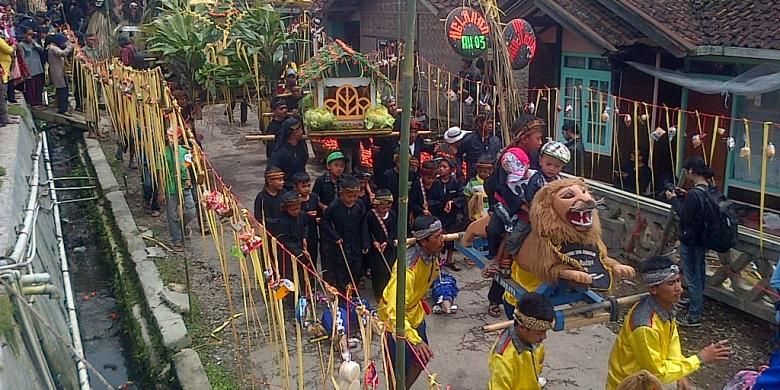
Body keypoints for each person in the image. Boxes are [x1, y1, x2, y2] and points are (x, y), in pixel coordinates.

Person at [606, 255, 730, 389]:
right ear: (653, 289)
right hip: (628, 385)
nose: (679, 288)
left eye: (678, 281)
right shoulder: (645, 326)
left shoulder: (666, 308)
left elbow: (672, 344)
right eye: (671, 283)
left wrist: (681, 375)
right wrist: (700, 358)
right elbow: (657, 371)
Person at [485, 115, 544, 318]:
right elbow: (502, 186)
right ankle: (495, 281)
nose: (540, 142)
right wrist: (522, 207)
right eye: (537, 138)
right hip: (509, 205)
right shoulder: (509, 157)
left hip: (535, 208)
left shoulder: (539, 157)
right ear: (524, 138)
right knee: (498, 234)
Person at [379, 215, 444, 390]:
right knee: (397, 370)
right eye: (437, 237)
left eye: (442, 234)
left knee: (421, 359)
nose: (442, 240)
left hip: (415, 313)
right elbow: (394, 311)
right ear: (423, 242)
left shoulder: (431, 255)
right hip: (395, 321)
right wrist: (415, 340)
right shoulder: (407, 270)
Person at [665, 156, 715, 327]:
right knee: (699, 273)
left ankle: (694, 315)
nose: (686, 174)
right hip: (704, 238)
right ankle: (696, 303)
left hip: (692, 239)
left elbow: (685, 215)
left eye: (686, 171)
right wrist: (684, 195)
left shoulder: (695, 193)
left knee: (692, 277)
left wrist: (673, 199)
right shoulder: (709, 189)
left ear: (691, 171)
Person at [487, 293, 554, 390]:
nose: (544, 337)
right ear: (522, 327)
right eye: (539, 333)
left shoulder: (534, 340)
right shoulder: (503, 360)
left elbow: (539, 362)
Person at [320, 175, 367, 294]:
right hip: (340, 245)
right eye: (349, 196)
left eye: (355, 196)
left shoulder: (360, 205)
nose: (352, 199)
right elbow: (324, 222)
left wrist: (365, 242)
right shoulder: (334, 206)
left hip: (356, 244)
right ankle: (342, 295)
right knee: (341, 272)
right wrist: (335, 236)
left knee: (356, 270)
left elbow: (364, 224)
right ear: (342, 193)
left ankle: (354, 293)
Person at [159, 138, 196, 252]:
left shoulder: (184, 151)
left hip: (185, 185)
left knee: (191, 211)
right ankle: (177, 240)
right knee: (172, 215)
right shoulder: (163, 153)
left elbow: (188, 167)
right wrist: (161, 192)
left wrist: (189, 179)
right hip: (170, 187)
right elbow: (160, 173)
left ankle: (182, 226)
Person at [362, 189, 397, 299]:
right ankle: (378, 293)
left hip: (389, 247)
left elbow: (394, 230)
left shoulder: (392, 214)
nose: (386, 209)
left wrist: (388, 241)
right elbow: (366, 231)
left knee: (389, 269)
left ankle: (389, 291)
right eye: (383, 207)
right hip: (375, 249)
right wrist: (373, 242)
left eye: (388, 207)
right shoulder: (370, 216)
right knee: (378, 272)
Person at [271, 191, 309, 280]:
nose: (296, 211)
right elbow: (285, 240)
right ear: (286, 209)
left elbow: (306, 226)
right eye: (293, 210)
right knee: (290, 274)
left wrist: (304, 237)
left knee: (302, 272)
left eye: (298, 208)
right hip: (288, 252)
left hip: (301, 246)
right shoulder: (282, 221)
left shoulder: (302, 215)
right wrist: (299, 253)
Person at [438, 158, 465, 271]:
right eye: (440, 166)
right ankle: (438, 260)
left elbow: (461, 197)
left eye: (445, 167)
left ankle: (449, 259)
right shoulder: (435, 182)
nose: (441, 169)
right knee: (438, 237)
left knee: (451, 237)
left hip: (451, 214)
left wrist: (452, 202)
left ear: (451, 170)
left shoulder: (455, 182)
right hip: (438, 213)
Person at [460, 114, 502, 180]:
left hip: (491, 179)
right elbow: (458, 155)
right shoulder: (469, 139)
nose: (490, 126)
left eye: (491, 123)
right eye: (487, 123)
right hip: (473, 178)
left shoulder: (496, 141)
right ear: (480, 123)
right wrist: (460, 173)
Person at [292, 172, 320, 269]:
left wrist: (318, 217)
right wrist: (305, 215)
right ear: (296, 187)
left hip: (313, 234)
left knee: (313, 260)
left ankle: (312, 282)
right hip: (300, 234)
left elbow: (319, 211)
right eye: (303, 186)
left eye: (308, 186)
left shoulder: (314, 197)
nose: (307, 189)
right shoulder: (294, 201)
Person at [270, 117, 308, 186]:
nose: (302, 132)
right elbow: (273, 173)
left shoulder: (301, 147)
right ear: (295, 132)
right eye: (300, 129)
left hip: (300, 185)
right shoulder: (280, 152)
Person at [47, 33, 72, 115]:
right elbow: (63, 53)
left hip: (58, 72)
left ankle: (59, 106)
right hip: (58, 73)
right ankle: (63, 109)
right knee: (63, 91)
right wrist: (69, 46)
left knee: (61, 90)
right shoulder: (53, 48)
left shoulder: (51, 48)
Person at [19, 28, 44, 109]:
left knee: (38, 85)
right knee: (31, 87)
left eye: (31, 35)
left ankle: (38, 101)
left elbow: (41, 49)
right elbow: (22, 58)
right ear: (24, 35)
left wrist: (34, 43)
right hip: (30, 68)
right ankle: (32, 103)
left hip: (38, 67)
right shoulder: (21, 45)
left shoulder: (34, 43)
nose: (30, 36)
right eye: (28, 34)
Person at [463, 154, 493, 221]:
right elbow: (467, 196)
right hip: (476, 212)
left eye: (485, 172)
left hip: (489, 210)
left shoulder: (492, 182)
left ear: (490, 171)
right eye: (480, 171)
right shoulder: (472, 182)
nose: (482, 173)